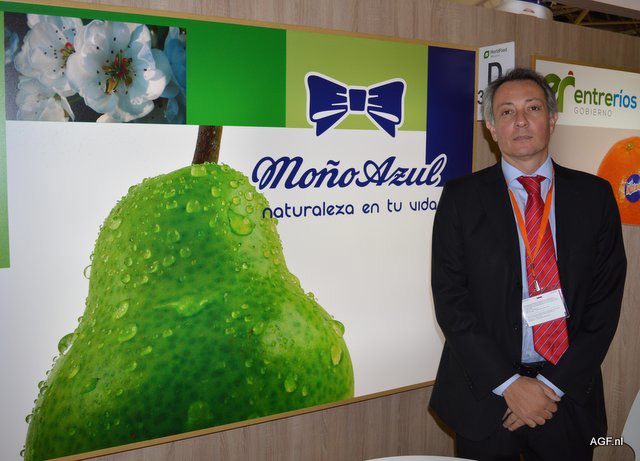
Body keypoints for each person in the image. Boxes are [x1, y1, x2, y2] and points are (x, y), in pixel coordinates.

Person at [429, 67, 627, 461]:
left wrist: (550, 388)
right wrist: (510, 385)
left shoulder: (595, 196)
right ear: (491, 127)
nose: (520, 121)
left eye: (533, 108)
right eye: (507, 112)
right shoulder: (460, 198)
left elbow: (604, 304)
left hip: (567, 394)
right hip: (487, 394)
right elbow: (451, 301)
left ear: (552, 119)